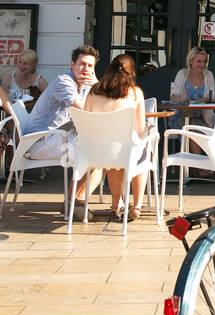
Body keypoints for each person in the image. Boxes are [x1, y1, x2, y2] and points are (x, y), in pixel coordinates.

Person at [82, 56, 149, 221]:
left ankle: (115, 204)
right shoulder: (135, 93)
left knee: (114, 161)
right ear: (132, 73)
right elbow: (140, 129)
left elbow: (86, 120)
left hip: (95, 152)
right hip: (123, 151)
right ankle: (137, 206)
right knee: (141, 153)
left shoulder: (93, 91)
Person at [23, 45, 99, 164]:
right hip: (39, 142)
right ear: (72, 65)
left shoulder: (86, 85)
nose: (86, 69)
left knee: (98, 144)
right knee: (94, 147)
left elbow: (98, 110)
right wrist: (97, 87)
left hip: (58, 136)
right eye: (82, 64)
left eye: (90, 66)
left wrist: (96, 86)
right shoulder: (64, 82)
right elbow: (83, 111)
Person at [169, 46, 215, 127]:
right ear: (190, 61)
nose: (202, 65)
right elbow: (172, 97)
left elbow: (212, 96)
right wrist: (182, 98)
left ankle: (190, 139)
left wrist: (206, 99)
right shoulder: (182, 74)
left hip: (202, 117)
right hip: (182, 115)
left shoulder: (209, 75)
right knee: (189, 127)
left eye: (205, 61)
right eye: (199, 61)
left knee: (196, 127)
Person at [0, 48, 48, 122]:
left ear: (33, 65)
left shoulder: (40, 81)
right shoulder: (9, 77)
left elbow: (48, 102)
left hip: (32, 120)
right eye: (20, 62)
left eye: (25, 64)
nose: (21, 66)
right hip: (11, 119)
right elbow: (2, 101)